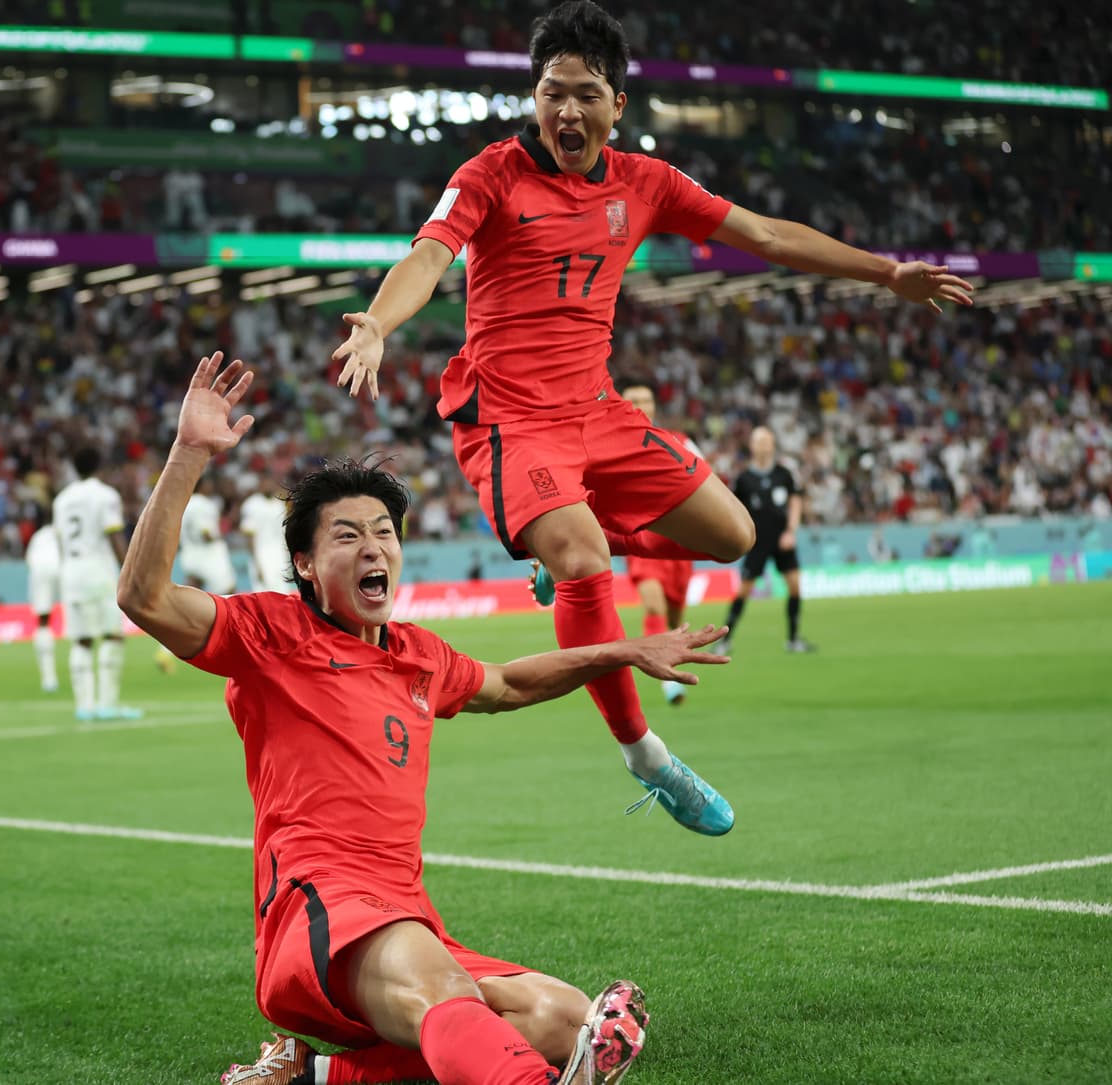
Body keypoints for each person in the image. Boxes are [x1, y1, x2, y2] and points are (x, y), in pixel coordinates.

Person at [331, 0, 972, 834]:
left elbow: (766, 235)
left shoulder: (645, 183)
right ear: (534, 97)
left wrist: (886, 274)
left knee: (735, 534)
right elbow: (428, 255)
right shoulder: (491, 174)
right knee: (585, 560)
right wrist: (378, 324)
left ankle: (567, 548)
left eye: (586, 94)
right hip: (513, 421)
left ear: (618, 105)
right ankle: (647, 754)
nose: (567, 110)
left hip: (598, 411)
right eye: (552, 92)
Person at [117, 352, 733, 1085]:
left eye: (384, 532)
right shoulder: (271, 633)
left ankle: (311, 1075)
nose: (373, 547)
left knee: (565, 1020)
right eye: (347, 535)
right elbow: (144, 598)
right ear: (306, 565)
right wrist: (189, 454)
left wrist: (623, 650)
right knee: (447, 997)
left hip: (408, 913)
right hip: (321, 906)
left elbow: (509, 683)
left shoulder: (417, 654)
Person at [613, 382, 699, 706]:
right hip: (639, 540)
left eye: (646, 399)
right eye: (633, 399)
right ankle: (667, 681)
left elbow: (707, 482)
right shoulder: (608, 445)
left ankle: (671, 659)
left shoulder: (679, 442)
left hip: (676, 542)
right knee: (653, 605)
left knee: (675, 617)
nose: (640, 405)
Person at [53, 447, 142, 722]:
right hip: (98, 572)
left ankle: (84, 706)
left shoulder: (62, 499)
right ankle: (107, 705)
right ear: (100, 467)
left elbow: (60, 540)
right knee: (112, 635)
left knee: (81, 640)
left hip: (71, 571)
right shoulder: (106, 495)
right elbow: (114, 535)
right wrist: (131, 571)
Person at [718, 427, 813, 654]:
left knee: (795, 586)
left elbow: (796, 502)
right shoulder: (744, 479)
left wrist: (791, 531)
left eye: (767, 441)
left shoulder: (784, 474)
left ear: (773, 445)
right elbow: (733, 509)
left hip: (782, 540)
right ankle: (724, 640)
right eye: (759, 441)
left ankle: (793, 639)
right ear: (752, 445)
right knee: (744, 590)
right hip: (756, 542)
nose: (763, 445)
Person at [24, 515, 61, 693]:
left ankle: (49, 679)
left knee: (43, 621)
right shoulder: (62, 530)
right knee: (78, 621)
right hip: (62, 565)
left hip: (40, 569)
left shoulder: (38, 536)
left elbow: (29, 560)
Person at [239, 474, 292, 592]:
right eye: (265, 483)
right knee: (263, 593)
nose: (268, 485)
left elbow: (283, 533)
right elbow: (249, 536)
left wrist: (287, 556)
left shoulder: (279, 504)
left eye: (270, 483)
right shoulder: (251, 504)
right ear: (260, 484)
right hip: (261, 554)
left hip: (279, 555)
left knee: (282, 592)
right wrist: (256, 562)